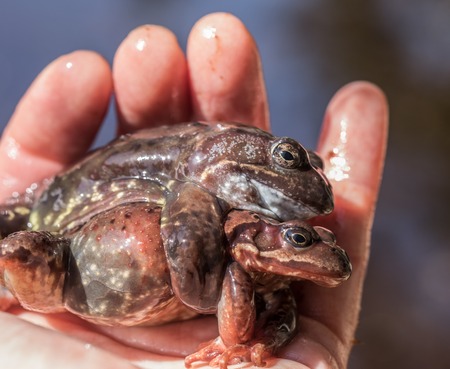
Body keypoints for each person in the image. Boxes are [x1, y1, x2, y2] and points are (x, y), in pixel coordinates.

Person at [0, 12, 388, 369]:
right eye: (288, 157)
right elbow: (191, 254)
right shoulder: (199, 180)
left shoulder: (243, 232)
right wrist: (209, 297)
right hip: (56, 215)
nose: (307, 176)